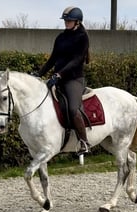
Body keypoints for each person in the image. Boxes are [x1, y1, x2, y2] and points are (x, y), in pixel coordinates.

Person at [37, 6, 91, 155]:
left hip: (73, 79)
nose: (66, 22)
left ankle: (84, 142)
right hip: (58, 78)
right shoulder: (61, 37)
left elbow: (77, 60)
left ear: (77, 22)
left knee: (73, 109)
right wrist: (39, 74)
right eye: (65, 20)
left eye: (69, 20)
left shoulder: (82, 38)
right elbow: (52, 59)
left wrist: (60, 74)